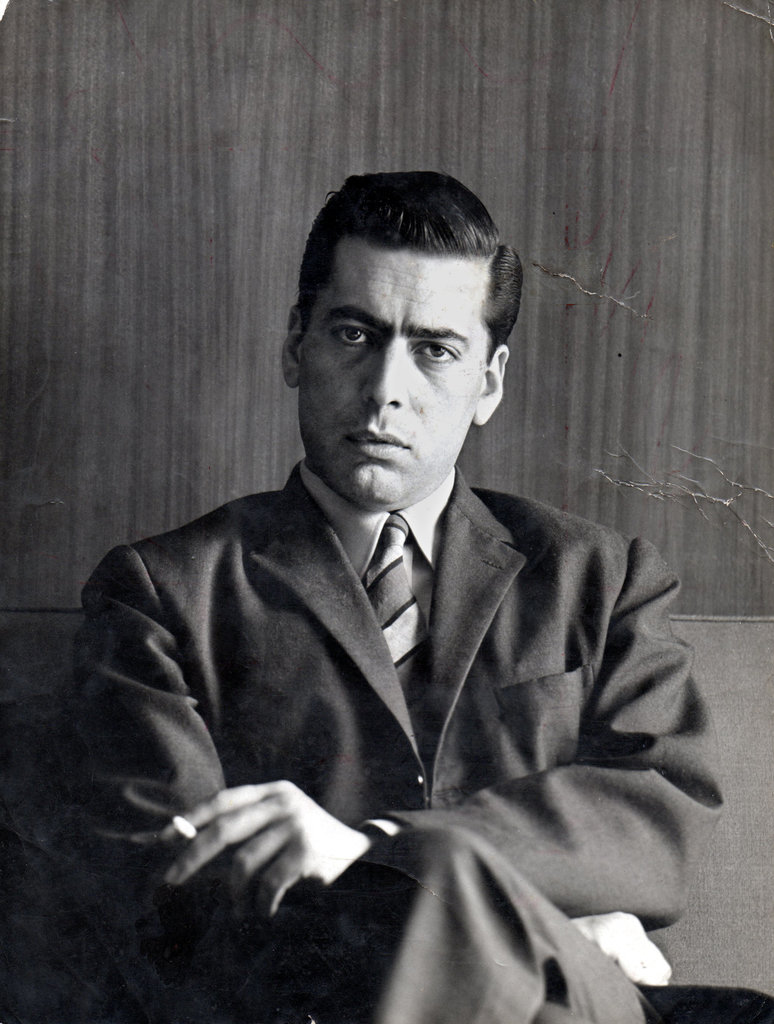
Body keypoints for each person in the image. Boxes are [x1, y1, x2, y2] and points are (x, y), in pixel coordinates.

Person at [68, 172, 764, 1024]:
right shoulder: (161, 594)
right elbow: (178, 891)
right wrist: (540, 930)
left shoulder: (602, 578)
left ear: (490, 383)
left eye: (434, 349)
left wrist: (375, 845)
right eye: (354, 334)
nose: (384, 389)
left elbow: (655, 825)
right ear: (295, 348)